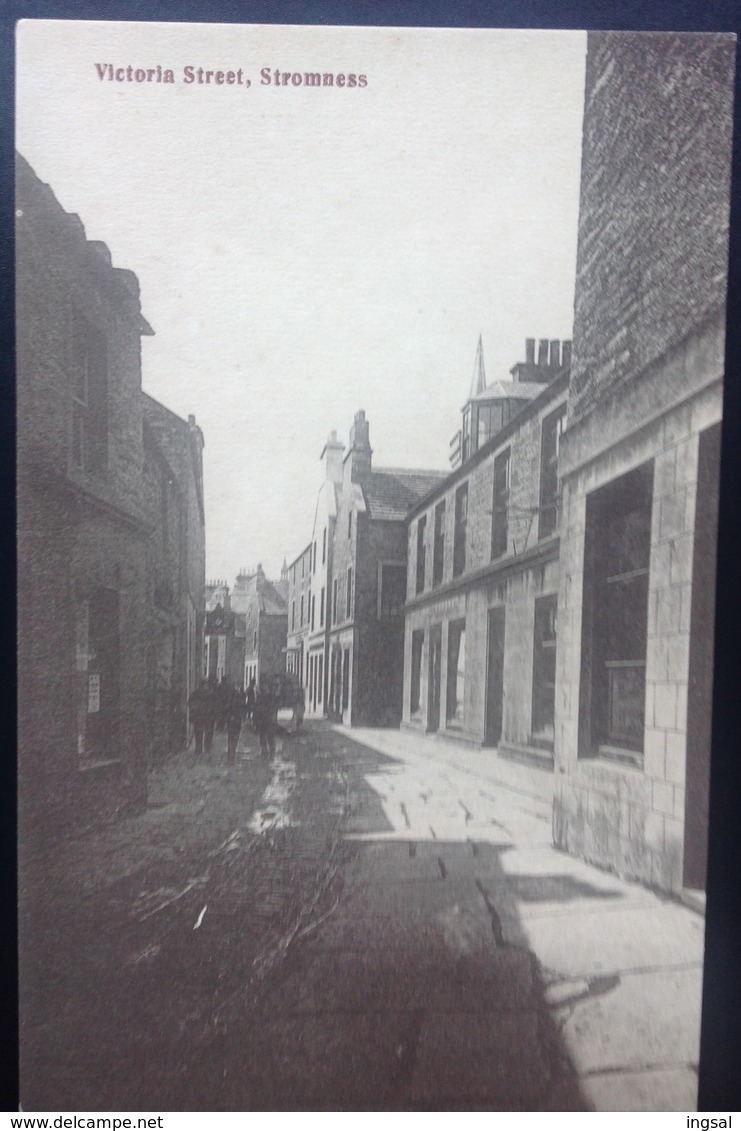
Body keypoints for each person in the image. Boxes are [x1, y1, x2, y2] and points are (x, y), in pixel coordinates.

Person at [188, 679, 215, 757]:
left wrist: (194, 710)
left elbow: (190, 703)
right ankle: (207, 747)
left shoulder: (195, 693)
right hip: (206, 716)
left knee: (198, 732)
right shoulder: (209, 694)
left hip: (198, 716)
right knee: (208, 732)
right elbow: (213, 705)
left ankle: (198, 748)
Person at [253, 679, 278, 759]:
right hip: (262, 720)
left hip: (269, 720)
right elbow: (256, 709)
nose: (264, 688)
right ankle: (264, 752)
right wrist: (255, 720)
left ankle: (271, 752)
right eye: (263, 686)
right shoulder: (260, 697)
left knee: (270, 737)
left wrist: (273, 718)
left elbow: (274, 709)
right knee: (263, 737)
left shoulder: (271, 697)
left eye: (265, 686)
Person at [224, 683, 246, 766]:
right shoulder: (237, 697)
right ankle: (231, 753)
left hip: (233, 720)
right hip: (235, 720)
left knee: (232, 737)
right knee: (234, 737)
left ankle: (231, 754)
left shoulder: (231, 697)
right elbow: (242, 708)